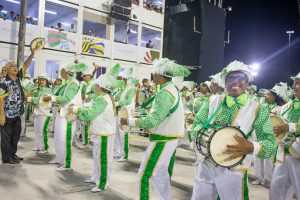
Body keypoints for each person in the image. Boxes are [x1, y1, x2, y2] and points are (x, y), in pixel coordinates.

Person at [191, 60, 276, 200]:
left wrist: (251, 147)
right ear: (225, 83)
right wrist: (208, 138)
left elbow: (270, 143)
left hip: (234, 169)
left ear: (247, 82)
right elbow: (196, 125)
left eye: (240, 78)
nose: (235, 82)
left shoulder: (258, 108)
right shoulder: (213, 101)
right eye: (231, 78)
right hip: (206, 164)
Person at [121, 58, 190, 200]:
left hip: (162, 140)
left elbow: (153, 120)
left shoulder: (165, 93)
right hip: (167, 139)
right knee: (160, 176)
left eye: (154, 72)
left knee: (144, 175)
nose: (152, 75)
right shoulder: (171, 89)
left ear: (160, 74)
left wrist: (129, 120)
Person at [69, 64, 121, 193]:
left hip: (104, 134)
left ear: (101, 88)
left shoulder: (103, 100)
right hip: (101, 132)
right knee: (97, 157)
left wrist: (76, 109)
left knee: (103, 159)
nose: (94, 87)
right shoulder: (103, 98)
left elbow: (90, 113)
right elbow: (91, 109)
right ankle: (96, 177)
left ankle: (103, 183)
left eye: (96, 85)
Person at [43, 62, 87, 171]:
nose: (60, 73)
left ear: (66, 72)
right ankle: (59, 158)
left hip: (68, 116)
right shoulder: (66, 83)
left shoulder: (73, 84)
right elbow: (59, 95)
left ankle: (66, 164)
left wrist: (51, 98)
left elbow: (66, 98)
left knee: (65, 140)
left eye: (62, 71)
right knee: (58, 138)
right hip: (60, 113)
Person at [0, 48, 37, 164]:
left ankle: (12, 153)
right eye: (12, 66)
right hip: (7, 114)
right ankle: (7, 158)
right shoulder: (3, 83)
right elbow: (0, 98)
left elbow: (26, 64)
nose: (15, 67)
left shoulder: (19, 78)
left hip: (18, 113)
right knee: (7, 137)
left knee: (16, 135)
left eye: (15, 65)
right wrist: (1, 115)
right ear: (6, 70)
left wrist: (32, 53)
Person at [269, 72, 300, 200]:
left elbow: (289, 126)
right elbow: (276, 118)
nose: (294, 86)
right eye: (294, 83)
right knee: (276, 189)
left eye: (298, 83)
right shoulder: (288, 106)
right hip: (284, 153)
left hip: (298, 155)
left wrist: (289, 127)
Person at [252, 83, 287, 186]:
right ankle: (259, 178)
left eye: (269, 95)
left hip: (271, 136)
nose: (266, 96)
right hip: (258, 134)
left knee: (268, 159)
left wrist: (277, 114)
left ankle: (269, 180)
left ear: (275, 97)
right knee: (257, 156)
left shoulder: (280, 108)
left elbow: (282, 122)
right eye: (266, 94)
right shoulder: (261, 106)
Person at [115, 67, 138, 162]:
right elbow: (116, 98)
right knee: (118, 134)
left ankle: (125, 155)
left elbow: (128, 101)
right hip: (119, 113)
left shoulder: (131, 89)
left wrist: (118, 103)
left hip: (126, 113)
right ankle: (118, 153)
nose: (120, 81)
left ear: (125, 79)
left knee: (123, 134)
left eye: (121, 79)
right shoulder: (121, 89)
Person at [27, 73, 53, 153]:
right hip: (37, 113)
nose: (41, 81)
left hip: (45, 114)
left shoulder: (48, 90)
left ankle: (44, 147)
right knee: (37, 131)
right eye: (40, 80)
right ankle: (38, 146)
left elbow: (43, 99)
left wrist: (32, 99)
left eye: (43, 80)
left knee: (42, 131)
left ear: (47, 81)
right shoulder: (37, 90)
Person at [78, 65, 97, 147]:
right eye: (83, 76)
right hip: (83, 104)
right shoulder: (83, 84)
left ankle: (89, 141)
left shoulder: (94, 84)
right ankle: (85, 141)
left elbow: (96, 95)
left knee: (91, 124)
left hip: (91, 105)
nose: (83, 78)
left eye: (84, 76)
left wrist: (86, 96)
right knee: (83, 124)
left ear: (89, 76)